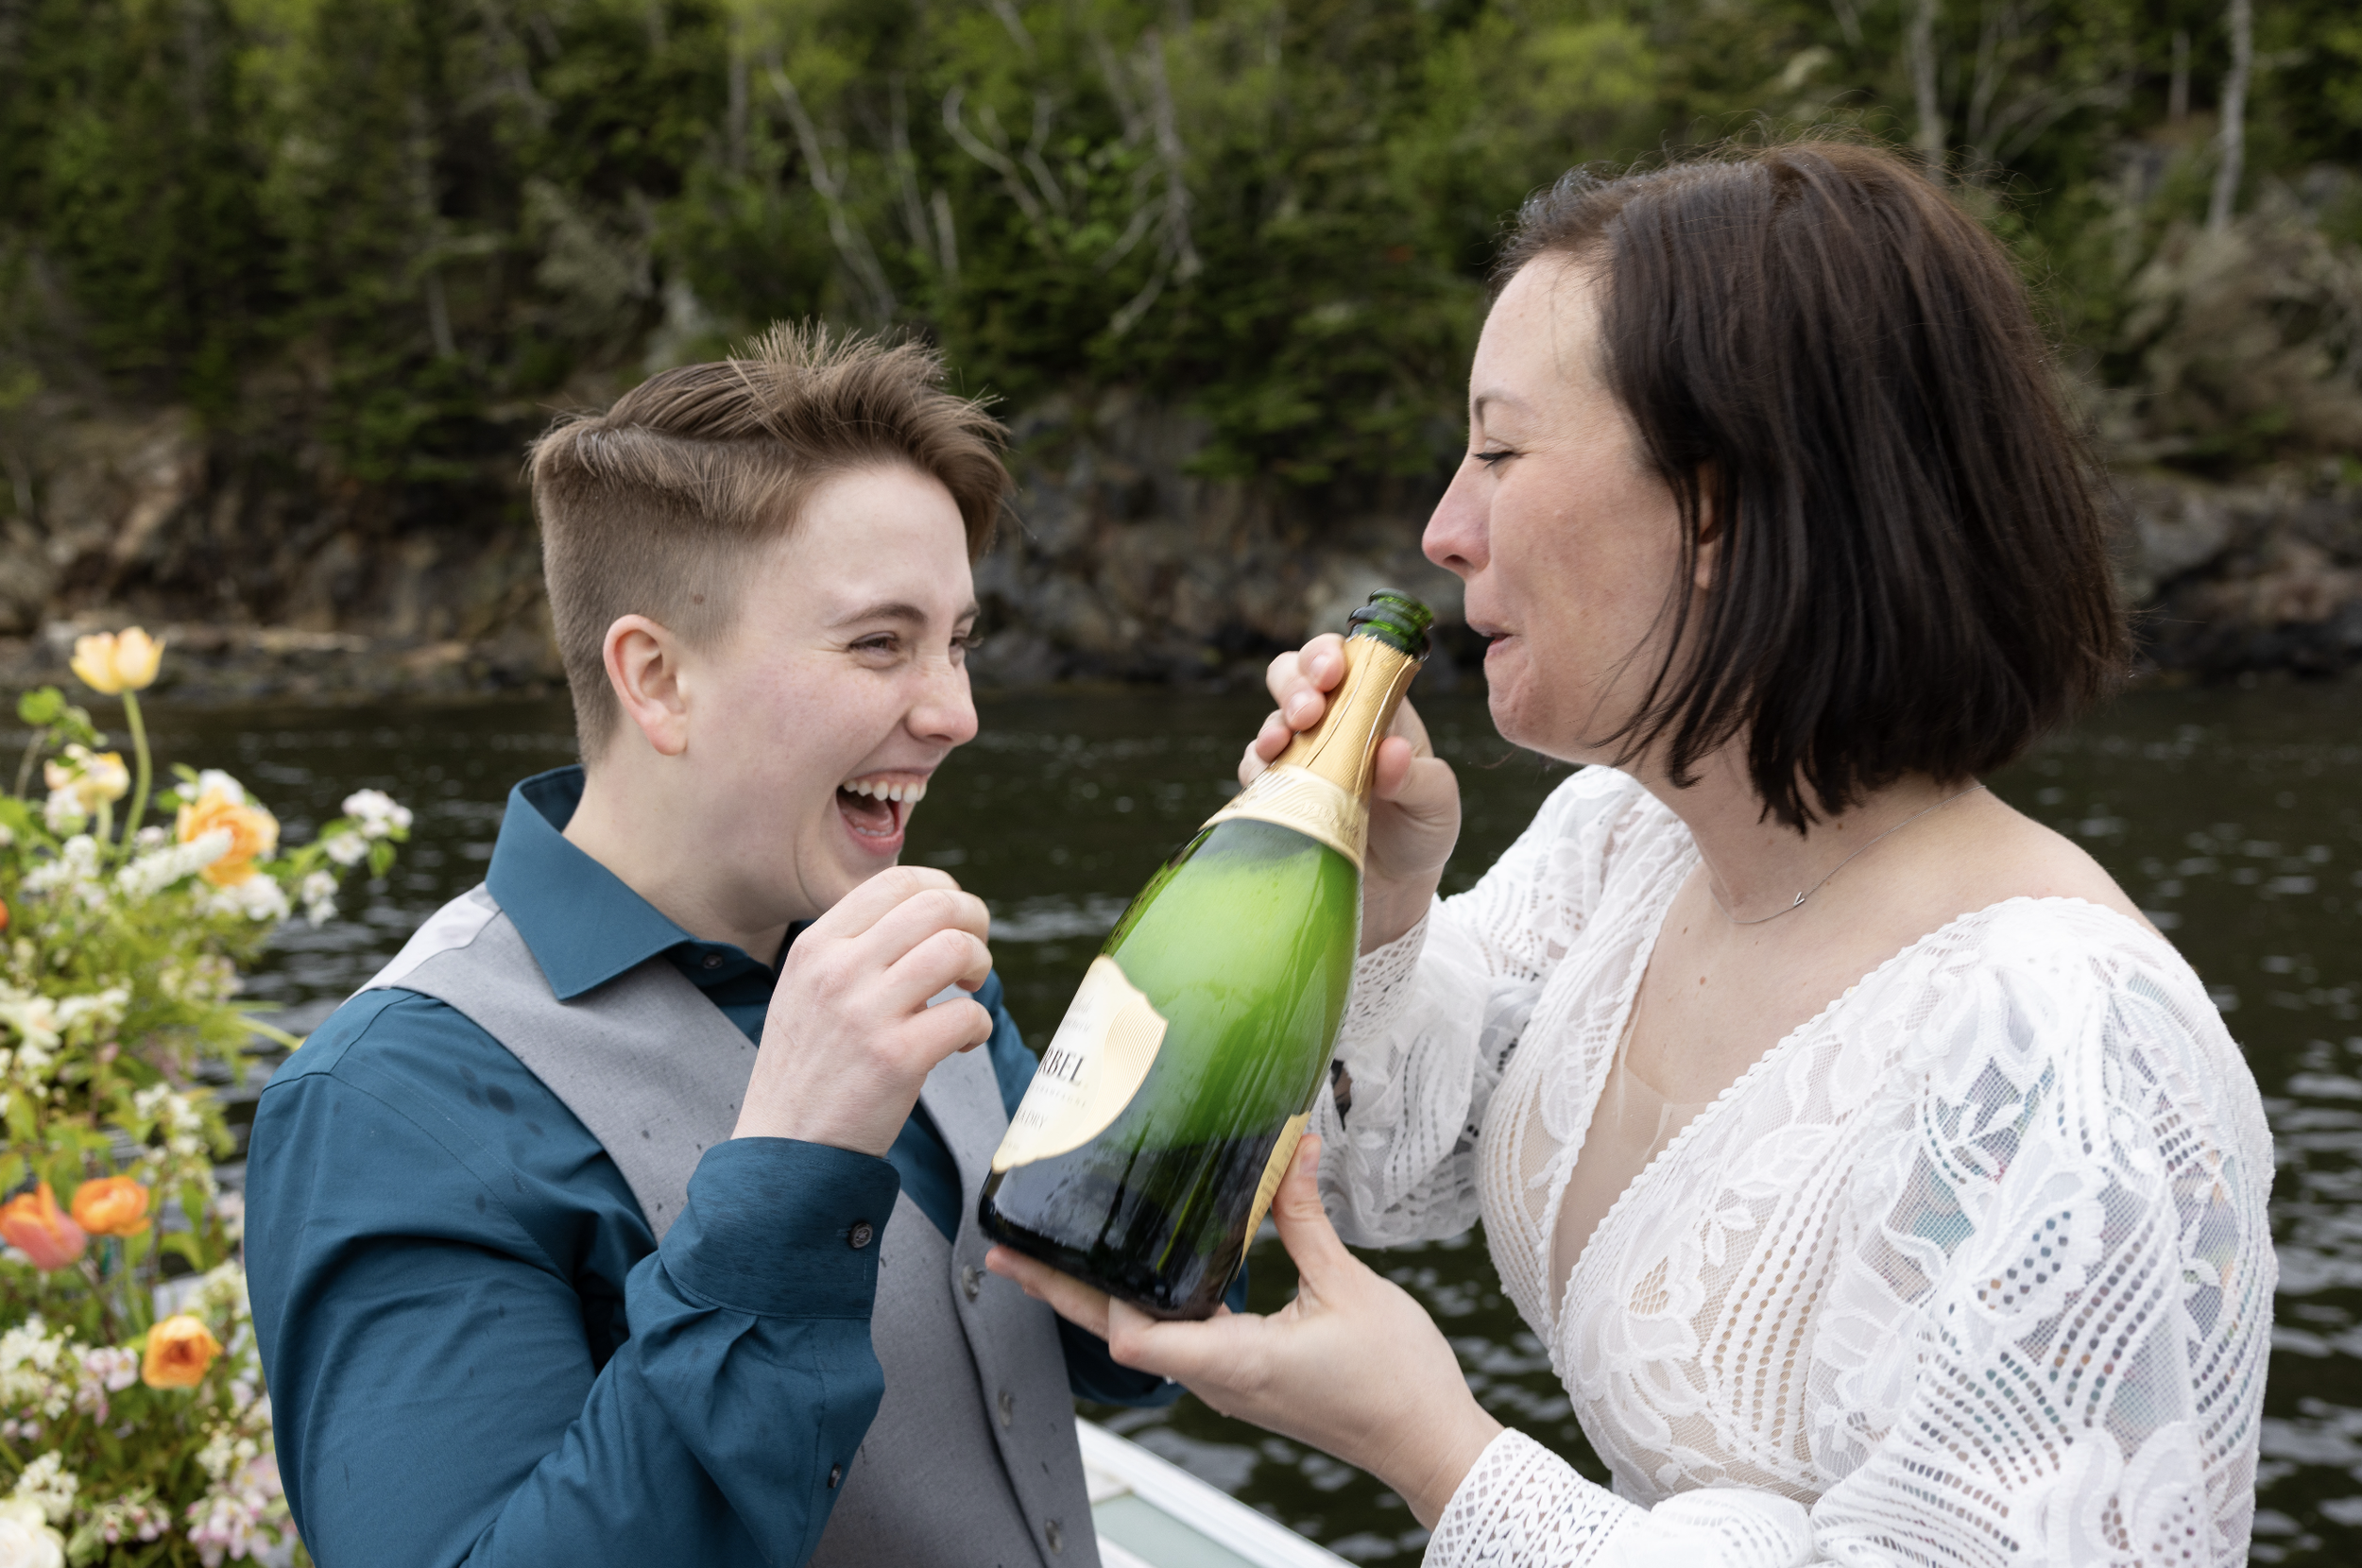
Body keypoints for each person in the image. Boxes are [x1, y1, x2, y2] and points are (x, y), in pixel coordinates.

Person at [990, 143, 2276, 1566]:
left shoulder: (2066, 1052)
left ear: (1715, 505)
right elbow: (1390, 1166)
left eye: (1499, 451)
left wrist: (1442, 1457)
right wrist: (1379, 885)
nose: (1444, 530)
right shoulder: (1630, 841)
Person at [244, 326, 1190, 1568]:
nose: (956, 713)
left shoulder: (899, 945)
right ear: (658, 679)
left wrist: (1299, 894)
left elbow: (1111, 1330)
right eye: (878, 642)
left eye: (958, 640)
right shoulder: (388, 1103)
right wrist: (789, 1176)